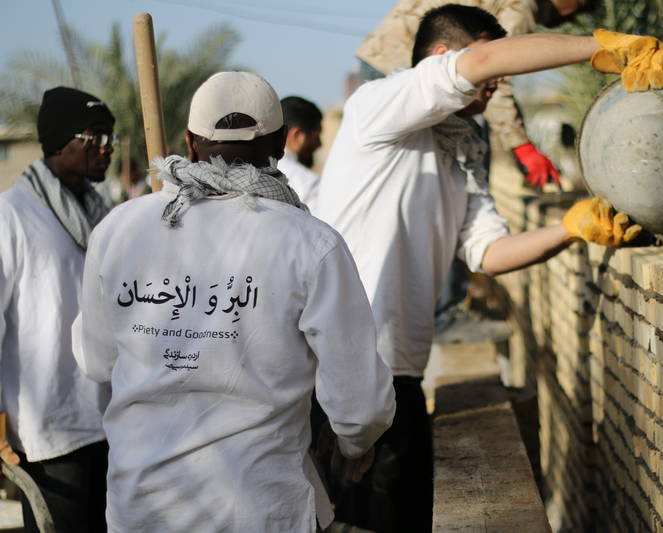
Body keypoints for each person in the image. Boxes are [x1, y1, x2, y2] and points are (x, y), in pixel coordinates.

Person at [315, 5, 663, 532]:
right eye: (484, 63)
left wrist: (571, 229)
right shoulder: (380, 105)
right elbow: (483, 62)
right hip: (343, 377)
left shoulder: (461, 146)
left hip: (400, 379)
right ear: (441, 59)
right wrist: (606, 48)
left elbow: (487, 253)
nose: (497, 80)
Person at [71, 71, 396, 532]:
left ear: (188, 142)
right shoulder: (310, 242)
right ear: (282, 143)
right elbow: (361, 406)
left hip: (142, 508)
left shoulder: (119, 230)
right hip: (260, 510)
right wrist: (354, 446)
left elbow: (96, 361)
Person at [0, 86, 115, 533]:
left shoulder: (102, 215)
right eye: (95, 138)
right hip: (48, 428)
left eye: (111, 139)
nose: (106, 150)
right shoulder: (12, 214)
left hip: (107, 420)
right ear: (61, 142)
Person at [356, 0, 593, 189]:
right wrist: (522, 147)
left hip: (385, 57)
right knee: (465, 154)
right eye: (581, 5)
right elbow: (494, 67)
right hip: (395, 63)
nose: (573, 17)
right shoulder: (523, 5)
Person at [277, 96, 323, 211]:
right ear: (297, 135)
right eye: (316, 136)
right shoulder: (308, 183)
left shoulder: (252, 173)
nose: (319, 144)